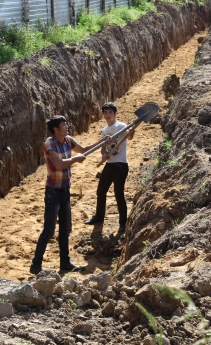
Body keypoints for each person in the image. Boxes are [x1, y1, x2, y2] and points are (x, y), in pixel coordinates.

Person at [30, 115, 109, 275]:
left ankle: (65, 262)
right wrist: (75, 159)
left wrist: (102, 142)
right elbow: (58, 164)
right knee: (49, 230)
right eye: (63, 125)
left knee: (65, 229)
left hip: (65, 191)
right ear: (56, 129)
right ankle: (35, 265)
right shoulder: (50, 144)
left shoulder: (68, 140)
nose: (67, 126)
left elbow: (84, 150)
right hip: (53, 193)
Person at [84, 102, 135, 233]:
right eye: (105, 112)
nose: (108, 115)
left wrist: (131, 132)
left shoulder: (121, 126)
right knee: (101, 191)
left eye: (110, 112)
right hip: (109, 164)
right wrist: (104, 154)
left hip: (120, 164)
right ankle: (99, 217)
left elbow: (129, 136)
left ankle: (123, 222)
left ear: (115, 113)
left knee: (119, 193)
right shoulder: (105, 130)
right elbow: (103, 148)